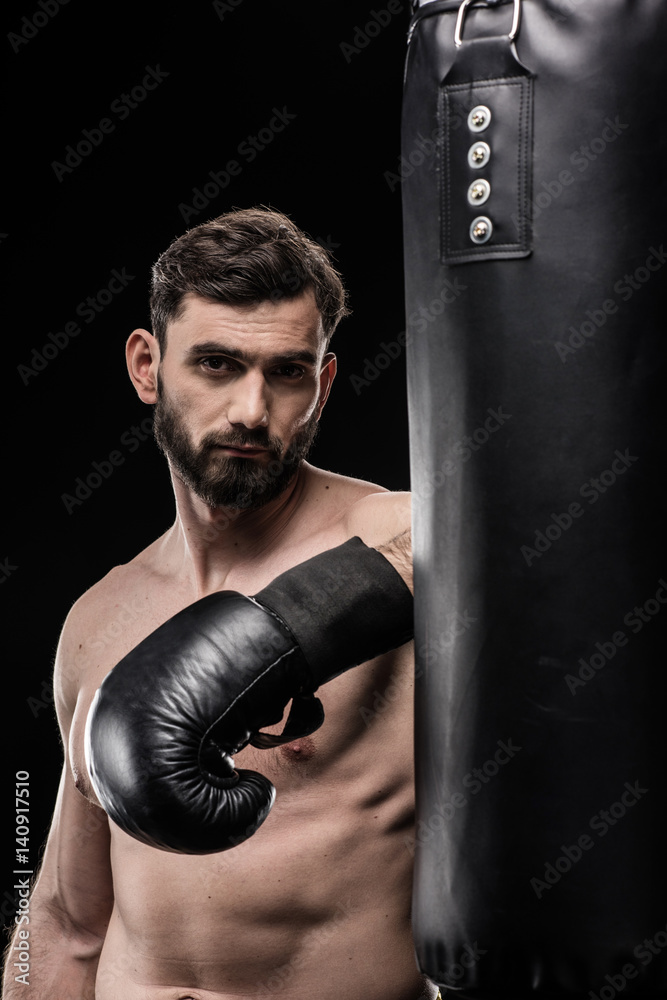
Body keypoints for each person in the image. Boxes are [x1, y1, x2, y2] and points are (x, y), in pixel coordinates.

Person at [2, 207, 439, 1000]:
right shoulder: (100, 617)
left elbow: (507, 536)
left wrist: (292, 632)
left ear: (324, 382)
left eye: (287, 372)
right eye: (215, 364)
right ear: (147, 366)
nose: (249, 409)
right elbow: (64, 921)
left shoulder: (393, 538)